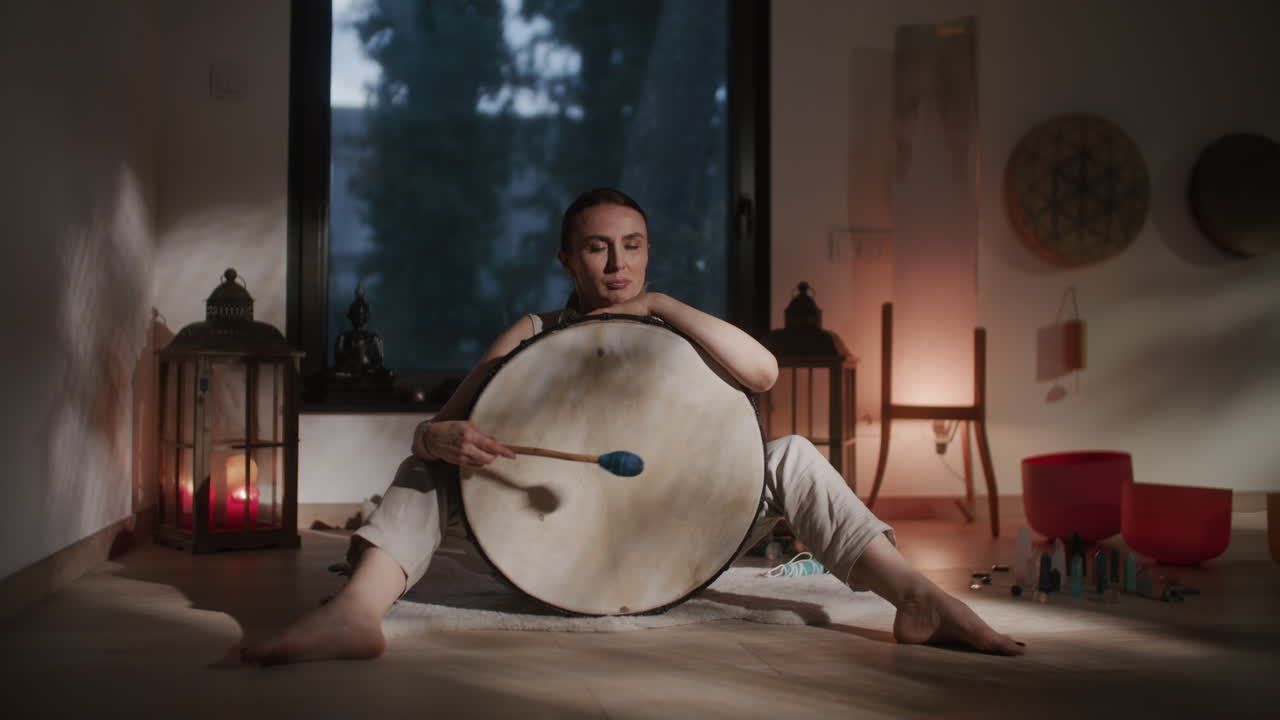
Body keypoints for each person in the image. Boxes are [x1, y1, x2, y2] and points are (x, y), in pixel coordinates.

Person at [242, 188, 1025, 665]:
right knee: (424, 471)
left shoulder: (675, 327)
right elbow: (436, 433)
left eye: (633, 247)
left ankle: (914, 596)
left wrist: (658, 308)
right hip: (544, 551)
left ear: (649, 253)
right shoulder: (531, 332)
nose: (617, 263)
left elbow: (764, 373)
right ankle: (354, 618)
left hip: (673, 542)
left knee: (790, 454)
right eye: (596, 248)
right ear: (565, 259)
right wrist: (436, 439)